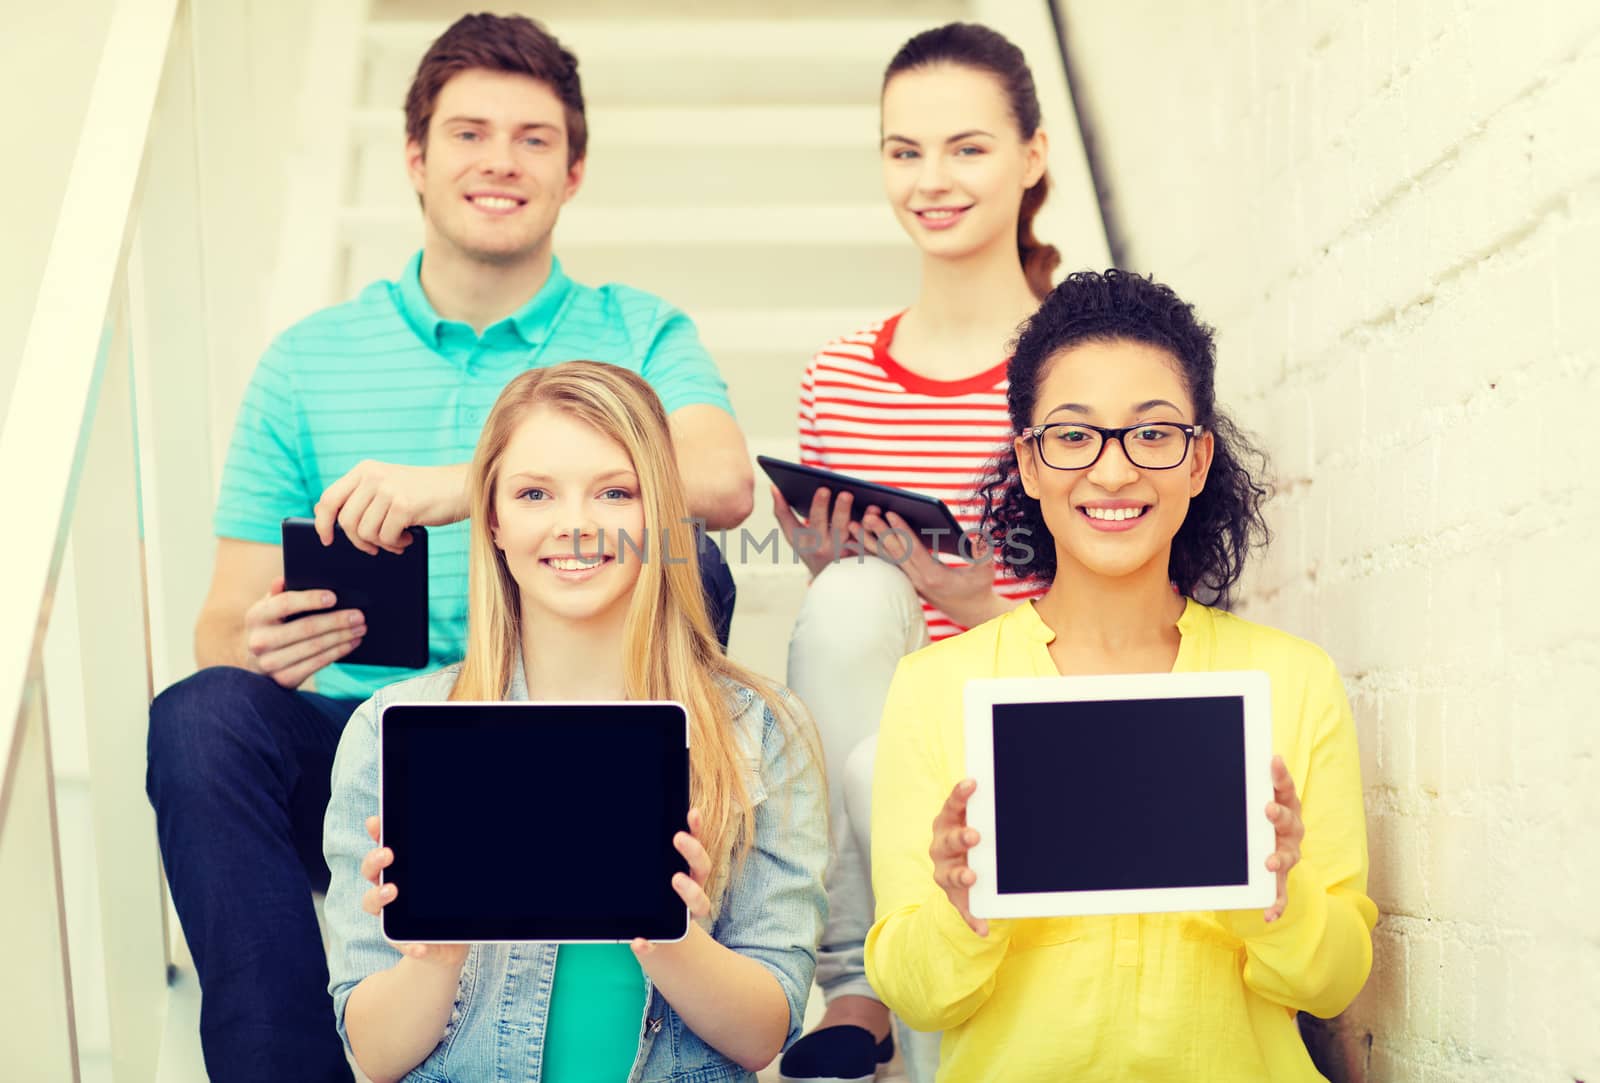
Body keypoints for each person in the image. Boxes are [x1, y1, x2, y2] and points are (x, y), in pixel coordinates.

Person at [144, 14, 753, 1080]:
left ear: (573, 171)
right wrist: (268, 641)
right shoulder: (308, 360)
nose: (500, 162)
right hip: (367, 730)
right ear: (417, 159)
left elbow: (721, 479)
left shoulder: (637, 330)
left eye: (533, 138)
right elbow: (218, 620)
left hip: (574, 728)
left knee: (686, 557)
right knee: (201, 715)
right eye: (470, 133)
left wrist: (457, 486)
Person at [864, 270, 1378, 1081]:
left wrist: (1282, 895)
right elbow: (916, 995)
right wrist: (957, 911)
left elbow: (1337, 977)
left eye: (1152, 434)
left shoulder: (1292, 681)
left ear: (1199, 458)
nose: (1111, 472)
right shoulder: (936, 689)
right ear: (1028, 463)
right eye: (1073, 436)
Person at [323, 361, 827, 1082]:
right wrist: (434, 956)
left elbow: (764, 1032)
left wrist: (671, 934)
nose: (576, 525)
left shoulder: (761, 730)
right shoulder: (392, 731)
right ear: (491, 517)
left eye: (615, 492)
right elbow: (372, 1053)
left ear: (658, 514)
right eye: (534, 493)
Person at [770, 23, 1051, 1083]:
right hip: (881, 719)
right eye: (903, 151)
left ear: (1030, 157)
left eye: (966, 148)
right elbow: (849, 640)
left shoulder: (1077, 361)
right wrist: (826, 564)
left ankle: (894, 999)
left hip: (1016, 710)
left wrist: (982, 606)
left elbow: (1148, 615)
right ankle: (857, 982)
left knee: (890, 761)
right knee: (848, 609)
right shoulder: (839, 376)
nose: (930, 180)